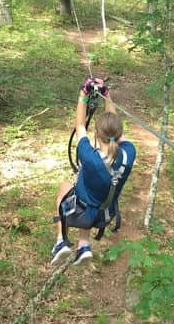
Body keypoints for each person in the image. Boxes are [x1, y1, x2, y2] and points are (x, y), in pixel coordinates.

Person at [51, 78, 136, 266]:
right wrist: (107, 95)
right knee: (86, 192)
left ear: (97, 134)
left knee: (66, 187)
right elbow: (115, 128)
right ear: (119, 134)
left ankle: (61, 241)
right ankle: (83, 245)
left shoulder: (90, 157)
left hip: (82, 212)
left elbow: (80, 126)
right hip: (105, 214)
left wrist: (83, 94)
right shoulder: (128, 154)